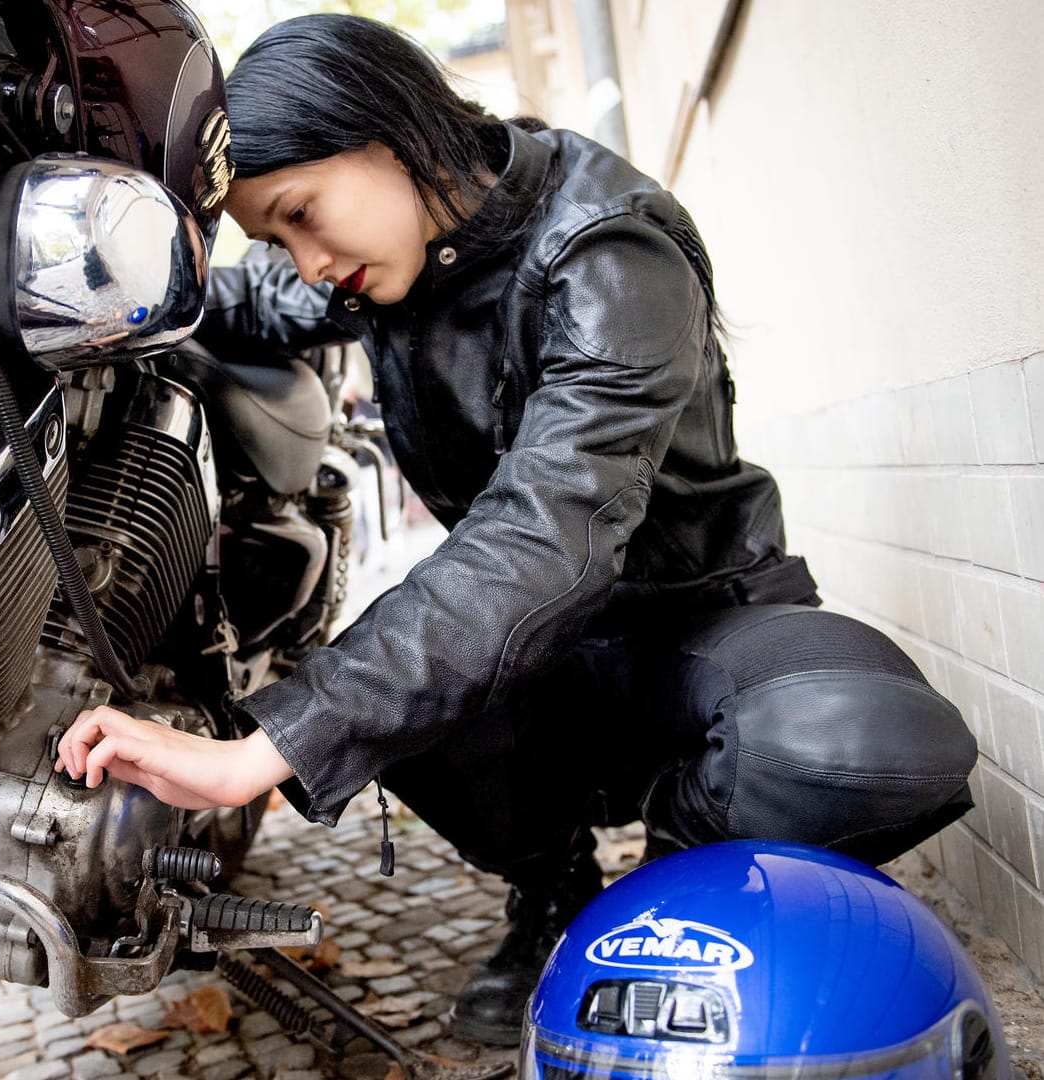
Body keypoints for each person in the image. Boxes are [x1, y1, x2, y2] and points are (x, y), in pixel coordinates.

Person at [56, 13, 978, 1047]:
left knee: (860, 740)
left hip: (701, 630)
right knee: (392, 685)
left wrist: (256, 749)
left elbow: (546, 532)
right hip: (549, 653)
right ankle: (555, 891)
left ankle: (672, 894)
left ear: (386, 134)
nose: (306, 263)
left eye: (303, 214)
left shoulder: (609, 250)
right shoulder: (382, 258)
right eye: (280, 238)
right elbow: (242, 303)